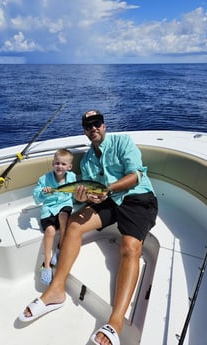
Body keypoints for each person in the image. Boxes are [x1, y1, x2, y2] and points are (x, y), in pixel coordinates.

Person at [19, 110, 158, 345]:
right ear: (84, 130)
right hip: (107, 200)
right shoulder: (87, 161)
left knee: (130, 247)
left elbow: (135, 175)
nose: (93, 128)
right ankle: (56, 290)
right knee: (73, 224)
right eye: (88, 126)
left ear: (104, 126)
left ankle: (115, 322)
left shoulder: (123, 142)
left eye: (97, 123)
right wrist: (87, 199)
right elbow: (92, 193)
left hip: (137, 197)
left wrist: (107, 190)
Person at [33, 148, 76, 285]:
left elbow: (73, 193)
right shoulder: (44, 179)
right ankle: (47, 263)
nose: (60, 166)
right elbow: (36, 197)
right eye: (57, 163)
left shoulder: (72, 177)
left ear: (69, 167)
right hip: (49, 209)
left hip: (65, 205)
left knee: (63, 217)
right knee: (50, 230)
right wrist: (44, 193)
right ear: (53, 164)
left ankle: (60, 248)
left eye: (63, 164)